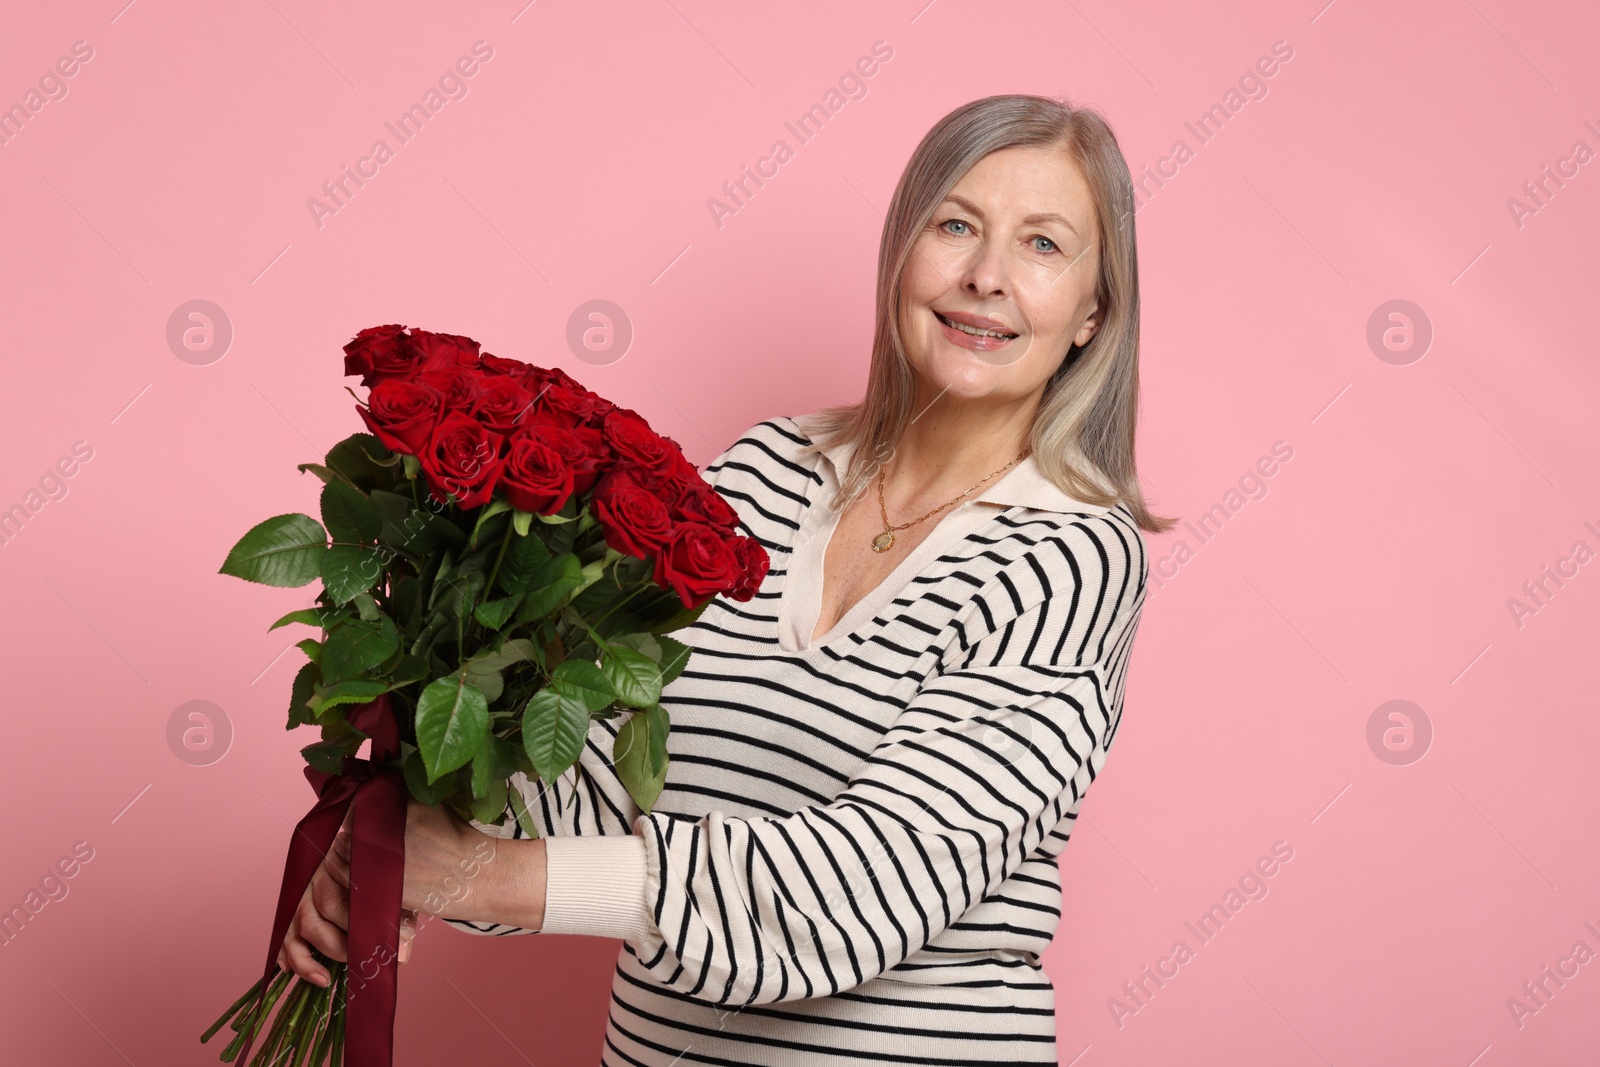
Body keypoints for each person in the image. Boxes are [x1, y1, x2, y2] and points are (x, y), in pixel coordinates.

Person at [278, 92, 1175, 1065]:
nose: (986, 276)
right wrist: (409, 841)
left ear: (1093, 309)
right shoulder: (760, 472)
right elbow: (593, 780)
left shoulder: (1072, 555)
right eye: (955, 224)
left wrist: (484, 876)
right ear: (902, 252)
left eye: (1042, 245)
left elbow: (867, 888)